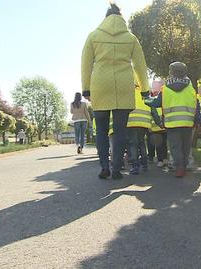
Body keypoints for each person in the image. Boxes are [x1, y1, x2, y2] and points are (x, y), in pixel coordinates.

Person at [81, 3, 149, 180]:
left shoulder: (93, 36)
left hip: (100, 85)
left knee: (102, 130)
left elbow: (86, 64)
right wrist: (144, 89)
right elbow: (140, 66)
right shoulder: (131, 38)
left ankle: (104, 166)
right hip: (124, 85)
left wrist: (86, 88)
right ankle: (117, 169)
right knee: (120, 131)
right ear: (121, 17)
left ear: (105, 18)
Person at [145, 62, 201, 177]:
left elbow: (156, 103)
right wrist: (198, 120)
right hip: (188, 123)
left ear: (171, 73)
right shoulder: (191, 88)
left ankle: (179, 167)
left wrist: (146, 99)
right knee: (186, 146)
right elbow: (197, 104)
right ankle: (184, 166)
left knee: (175, 146)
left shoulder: (165, 89)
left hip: (172, 124)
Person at [126, 84, 151, 175]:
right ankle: (144, 163)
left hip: (131, 121)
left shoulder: (127, 93)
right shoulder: (144, 92)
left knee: (133, 144)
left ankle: (135, 165)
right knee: (141, 142)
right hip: (143, 121)